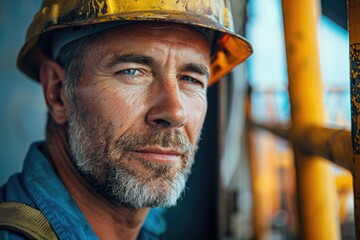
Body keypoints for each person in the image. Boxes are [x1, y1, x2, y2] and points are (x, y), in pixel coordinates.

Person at [0, 0, 252, 239]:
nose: (175, 113)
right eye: (132, 72)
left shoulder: (150, 228)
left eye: (191, 79)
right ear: (57, 91)